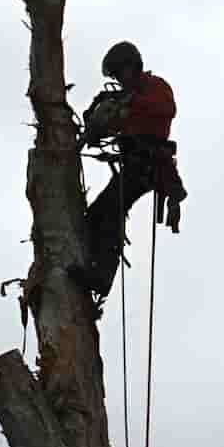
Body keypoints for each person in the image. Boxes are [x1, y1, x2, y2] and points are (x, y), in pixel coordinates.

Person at [80, 40, 183, 308]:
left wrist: (131, 102)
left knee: (110, 211)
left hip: (148, 165)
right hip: (134, 165)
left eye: (119, 73)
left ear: (132, 67)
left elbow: (167, 109)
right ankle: (89, 268)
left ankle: (101, 276)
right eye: (114, 76)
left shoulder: (155, 87)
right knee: (94, 216)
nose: (118, 80)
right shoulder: (123, 98)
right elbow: (106, 122)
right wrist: (97, 116)